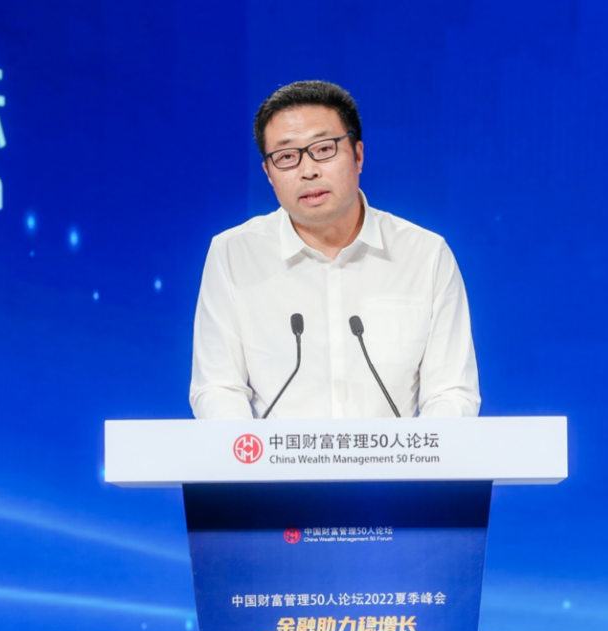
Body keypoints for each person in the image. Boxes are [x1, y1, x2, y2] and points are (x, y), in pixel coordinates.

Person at [190, 80, 479, 419]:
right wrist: (246, 449)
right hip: (277, 456)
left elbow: (450, 392)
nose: (308, 171)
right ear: (268, 173)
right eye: (286, 157)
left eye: (324, 149)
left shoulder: (425, 255)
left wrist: (423, 450)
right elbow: (219, 387)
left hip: (389, 455)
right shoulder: (233, 255)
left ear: (358, 155)